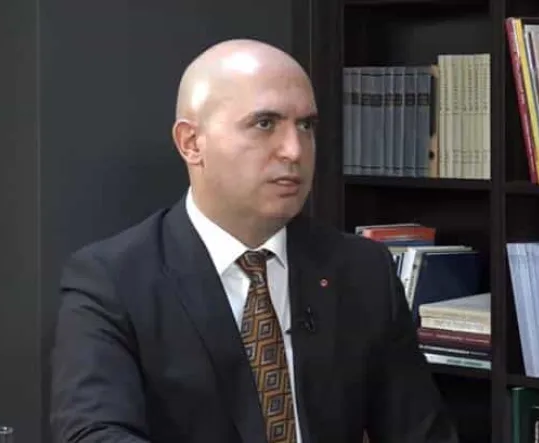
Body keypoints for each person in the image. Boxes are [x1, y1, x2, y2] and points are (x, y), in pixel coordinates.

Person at [49, 39, 460, 443]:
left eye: (306, 125)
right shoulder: (111, 282)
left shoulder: (363, 270)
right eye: (265, 124)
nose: (294, 150)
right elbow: (93, 433)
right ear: (191, 143)